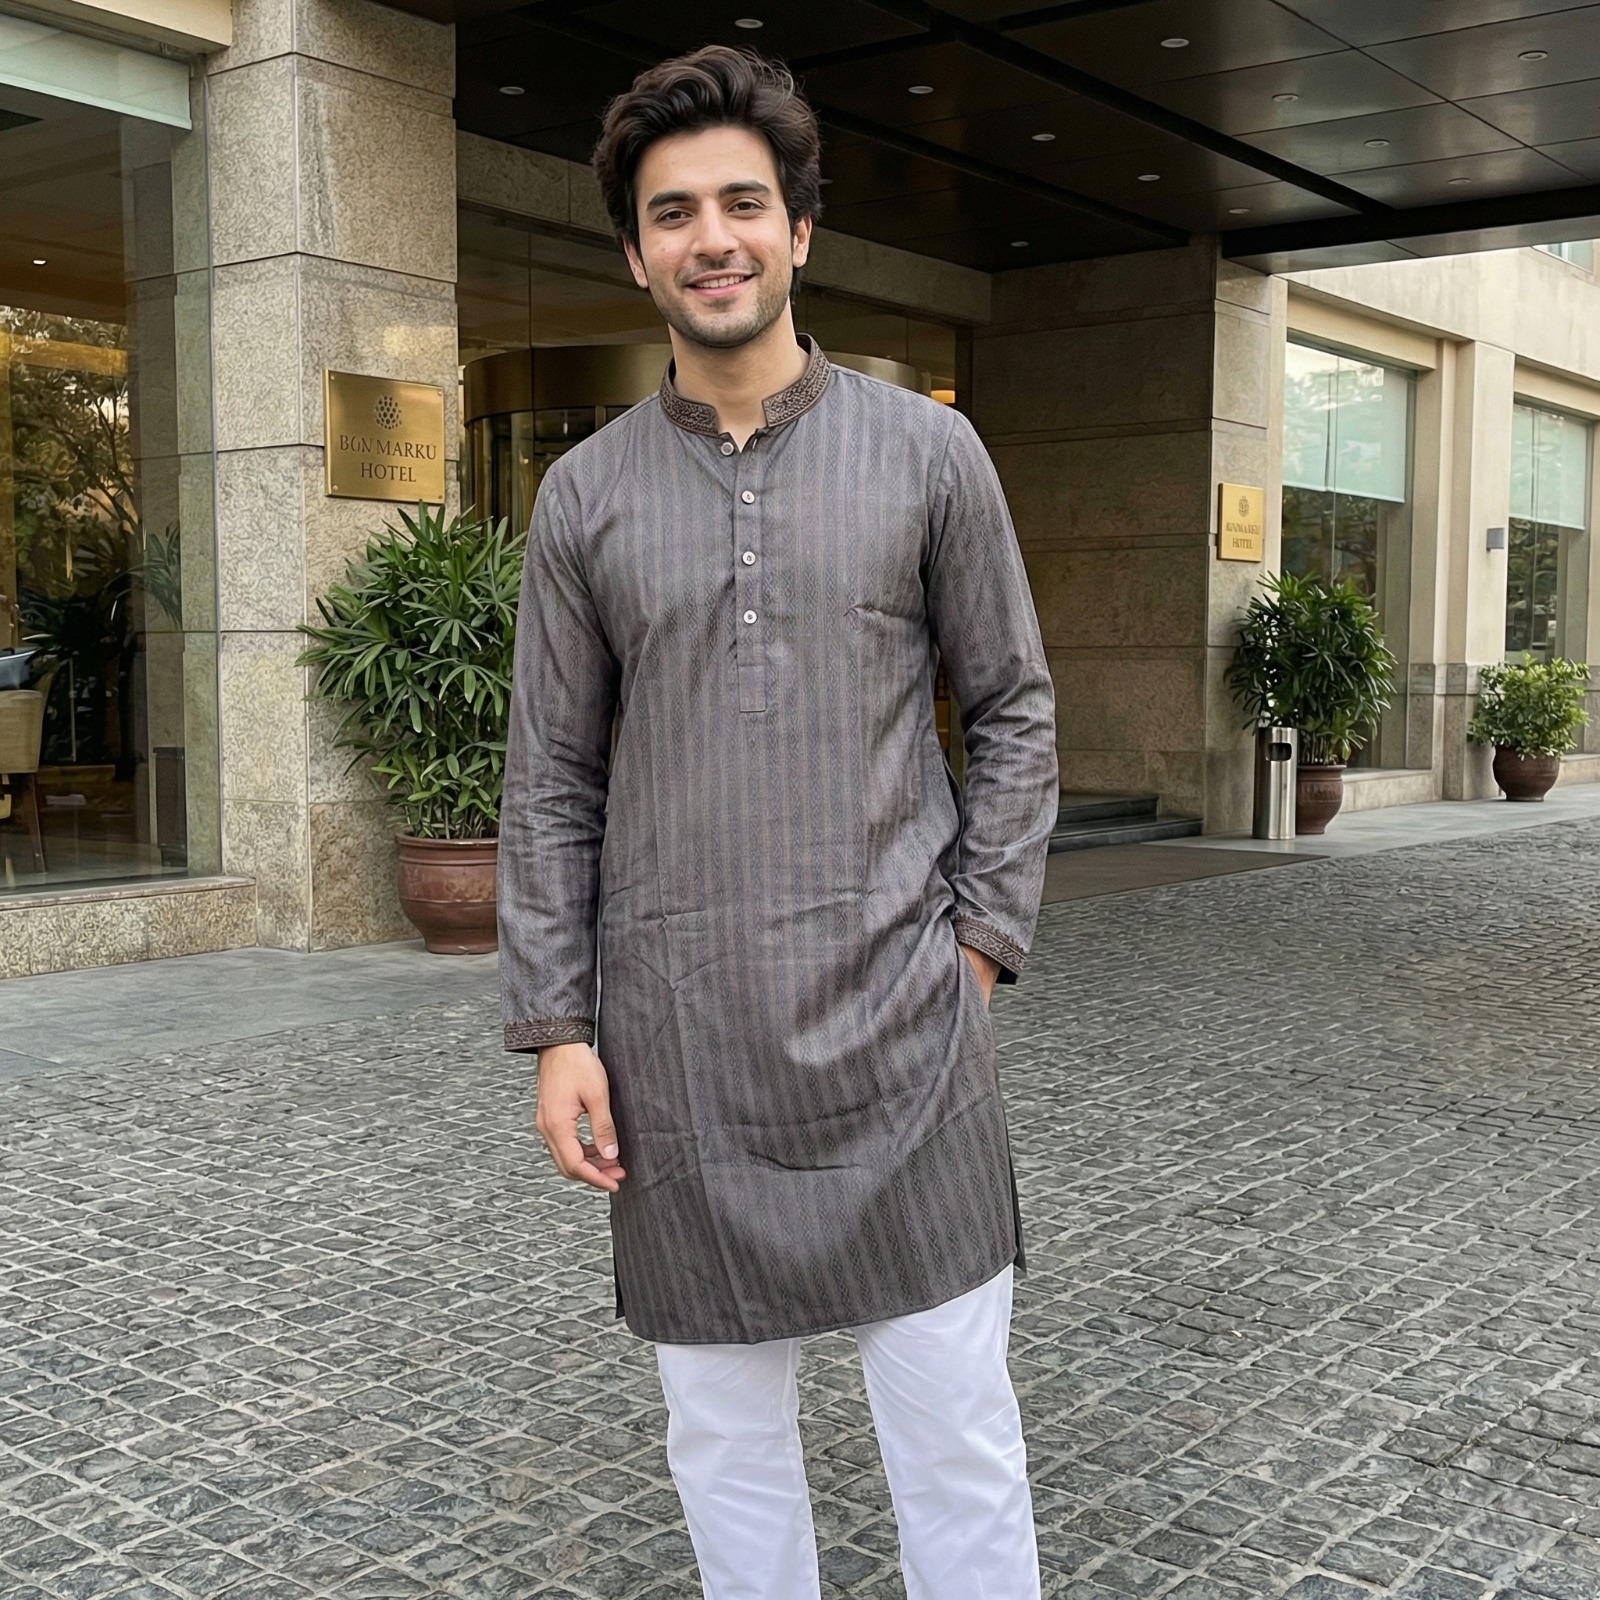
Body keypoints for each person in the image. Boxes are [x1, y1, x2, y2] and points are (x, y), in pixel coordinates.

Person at [499, 44, 1058, 1600]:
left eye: (743, 203)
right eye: (673, 213)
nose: (713, 238)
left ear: (801, 229)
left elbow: (1014, 707)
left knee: (957, 1440)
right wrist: (559, 1027)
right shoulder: (586, 498)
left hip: (906, 1037)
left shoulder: (929, 453)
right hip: (681, 1052)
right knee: (723, 1441)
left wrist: (977, 950)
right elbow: (551, 776)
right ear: (637, 255)